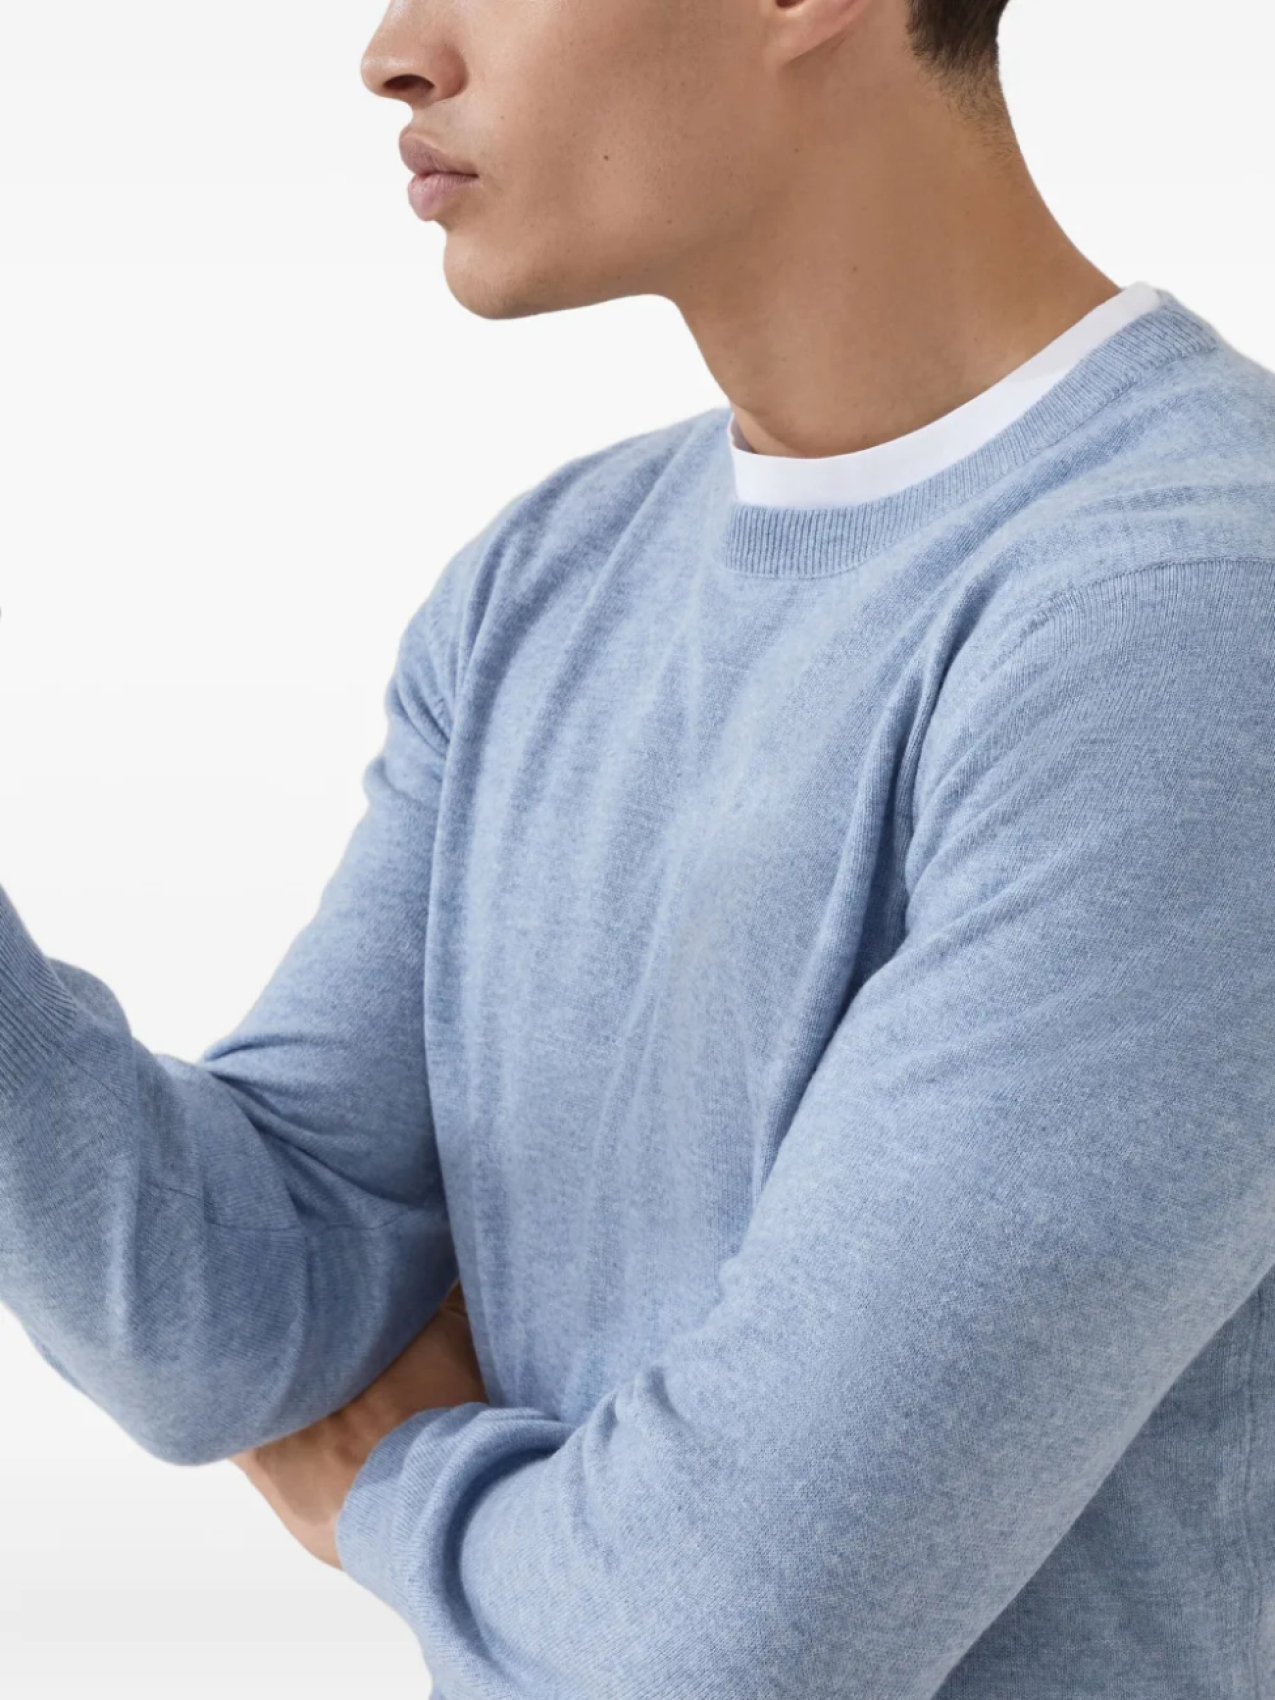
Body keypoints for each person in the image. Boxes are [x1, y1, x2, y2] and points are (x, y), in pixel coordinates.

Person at [3, 0, 1273, 1694]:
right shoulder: (550, 579)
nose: (394, 49)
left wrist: (385, 1485)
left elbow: (724, 1635)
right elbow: (241, 1308)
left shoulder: (1187, 629)